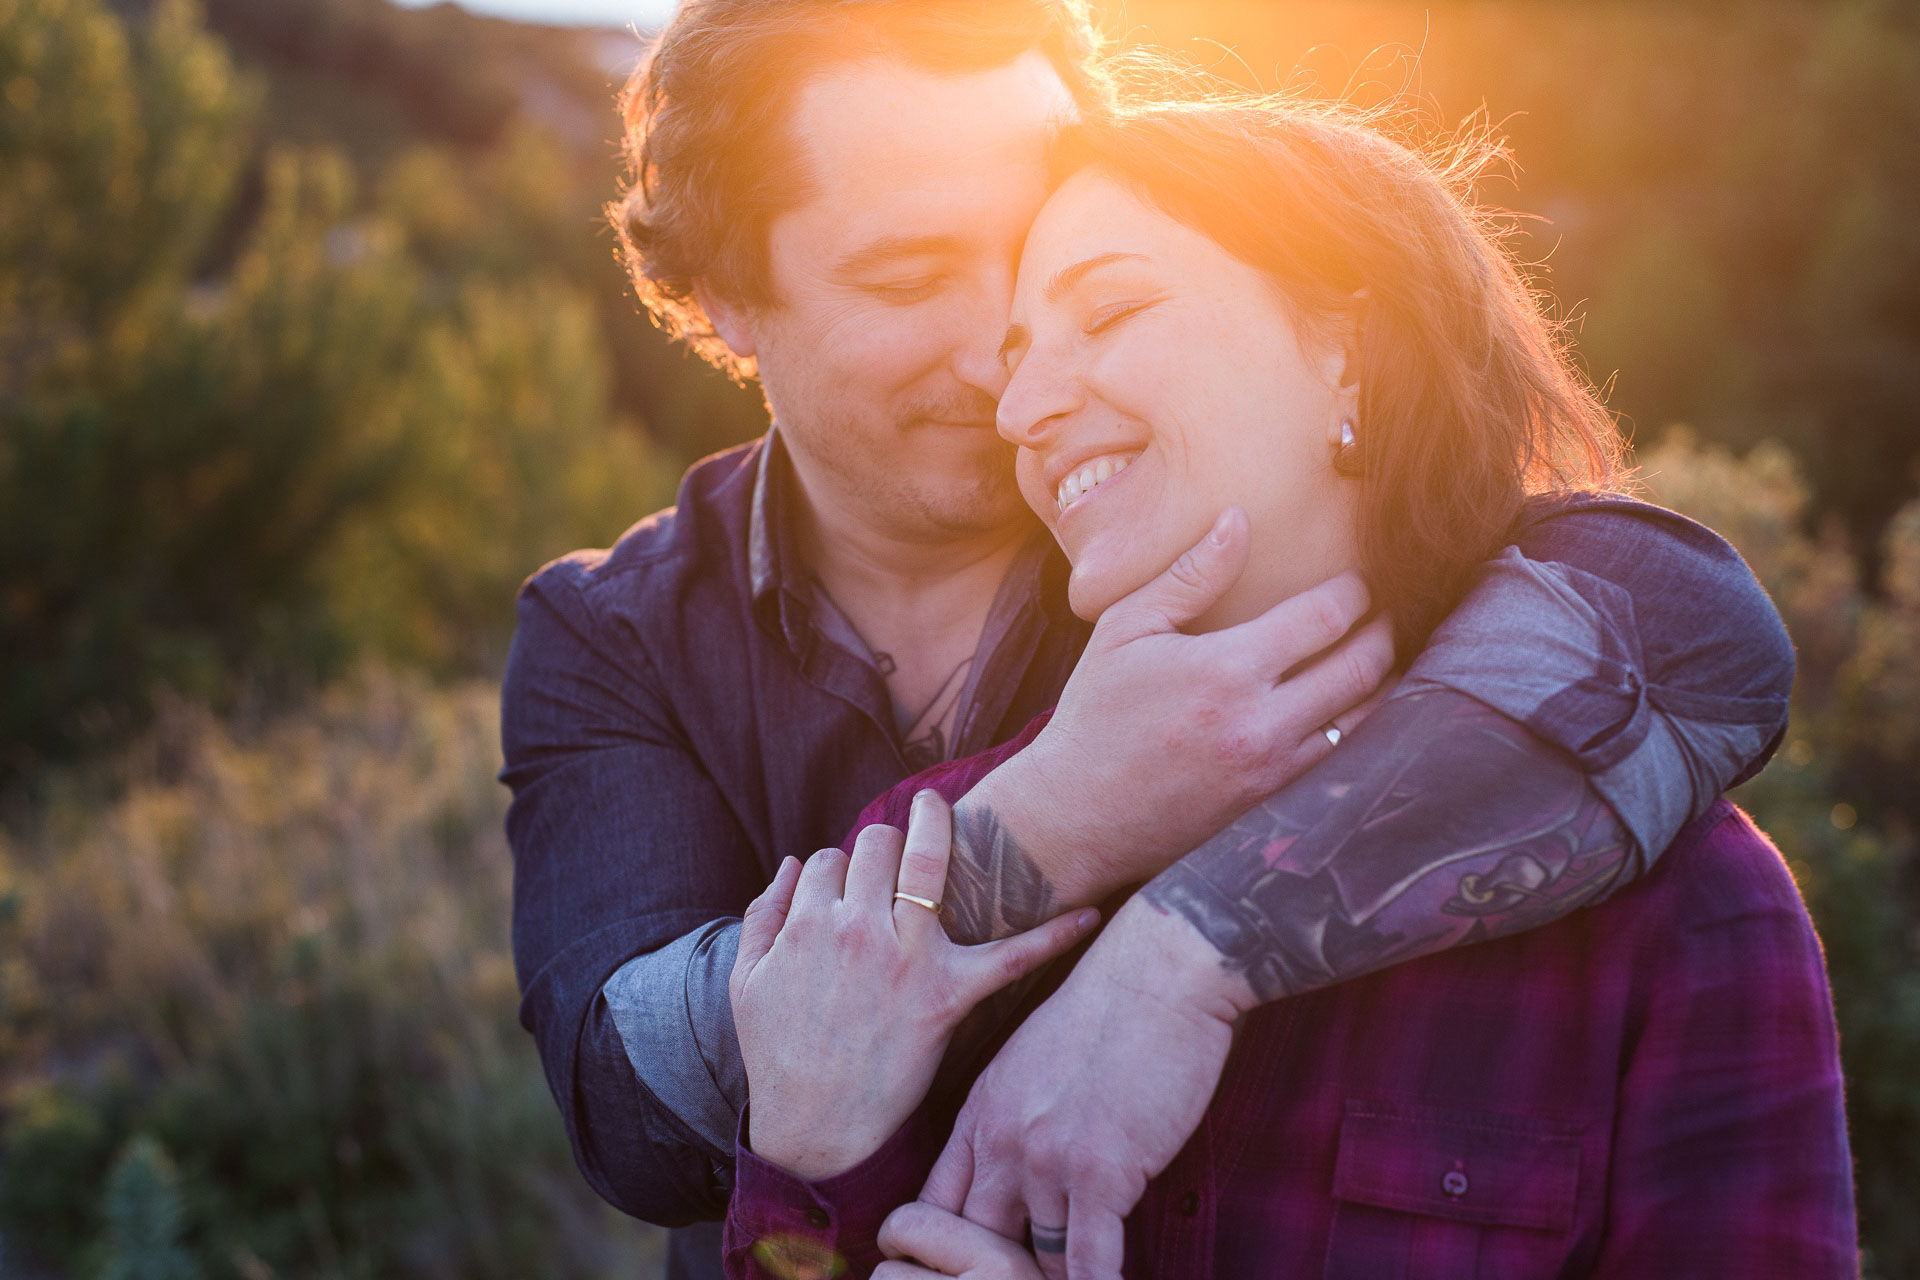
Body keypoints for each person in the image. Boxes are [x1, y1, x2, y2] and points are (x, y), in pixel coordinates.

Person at [498, 4, 1798, 1276]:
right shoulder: (611, 632)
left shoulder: (1191, 532)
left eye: (1042, 267)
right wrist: (1062, 817)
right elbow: (635, 1123)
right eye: (907, 277)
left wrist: (1183, 950)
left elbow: (1684, 632)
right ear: (727, 296)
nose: (1006, 374)